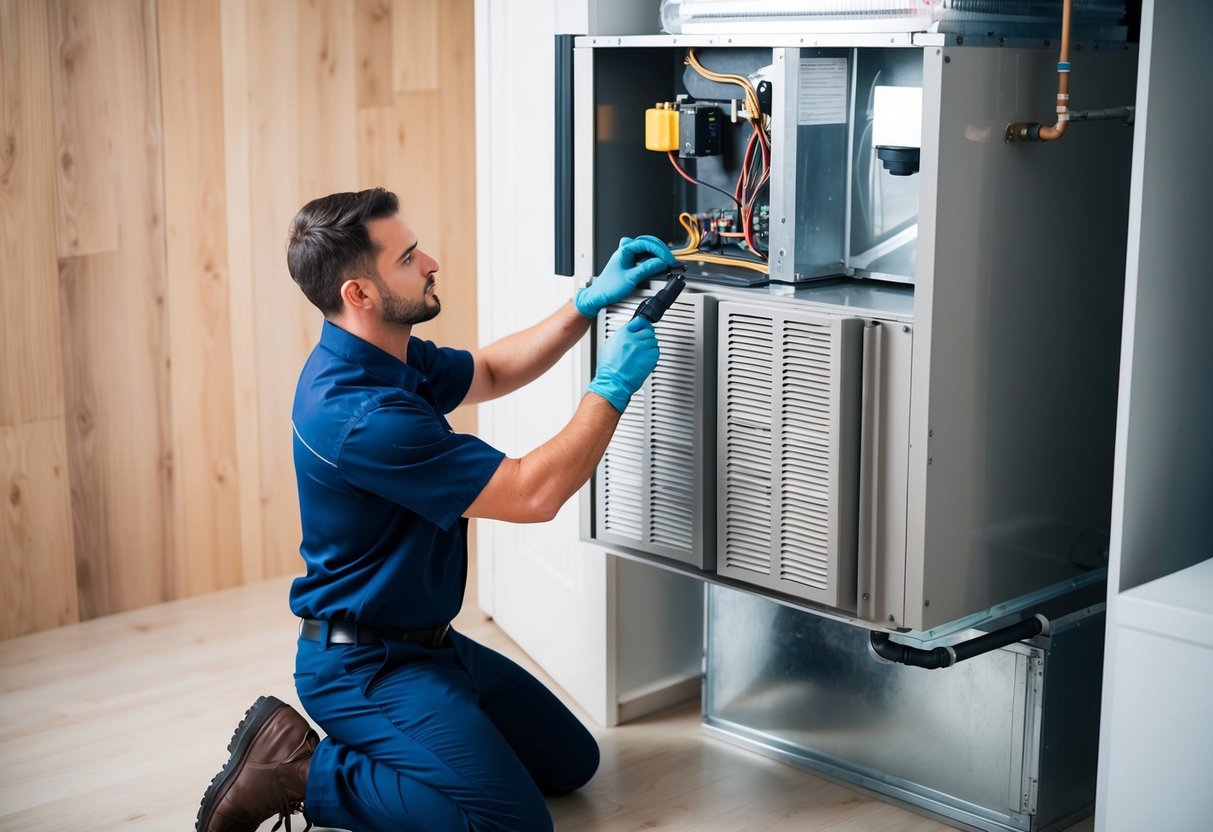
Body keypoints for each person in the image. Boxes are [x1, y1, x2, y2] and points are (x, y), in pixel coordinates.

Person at [195, 187, 678, 832]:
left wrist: (587, 303)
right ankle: (305, 772)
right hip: (364, 666)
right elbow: (536, 494)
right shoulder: (361, 416)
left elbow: (490, 371)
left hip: (432, 648)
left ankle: (436, 744)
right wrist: (610, 388)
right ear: (359, 293)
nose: (432, 262)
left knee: (573, 763)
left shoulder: (380, 355)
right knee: (514, 824)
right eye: (409, 256)